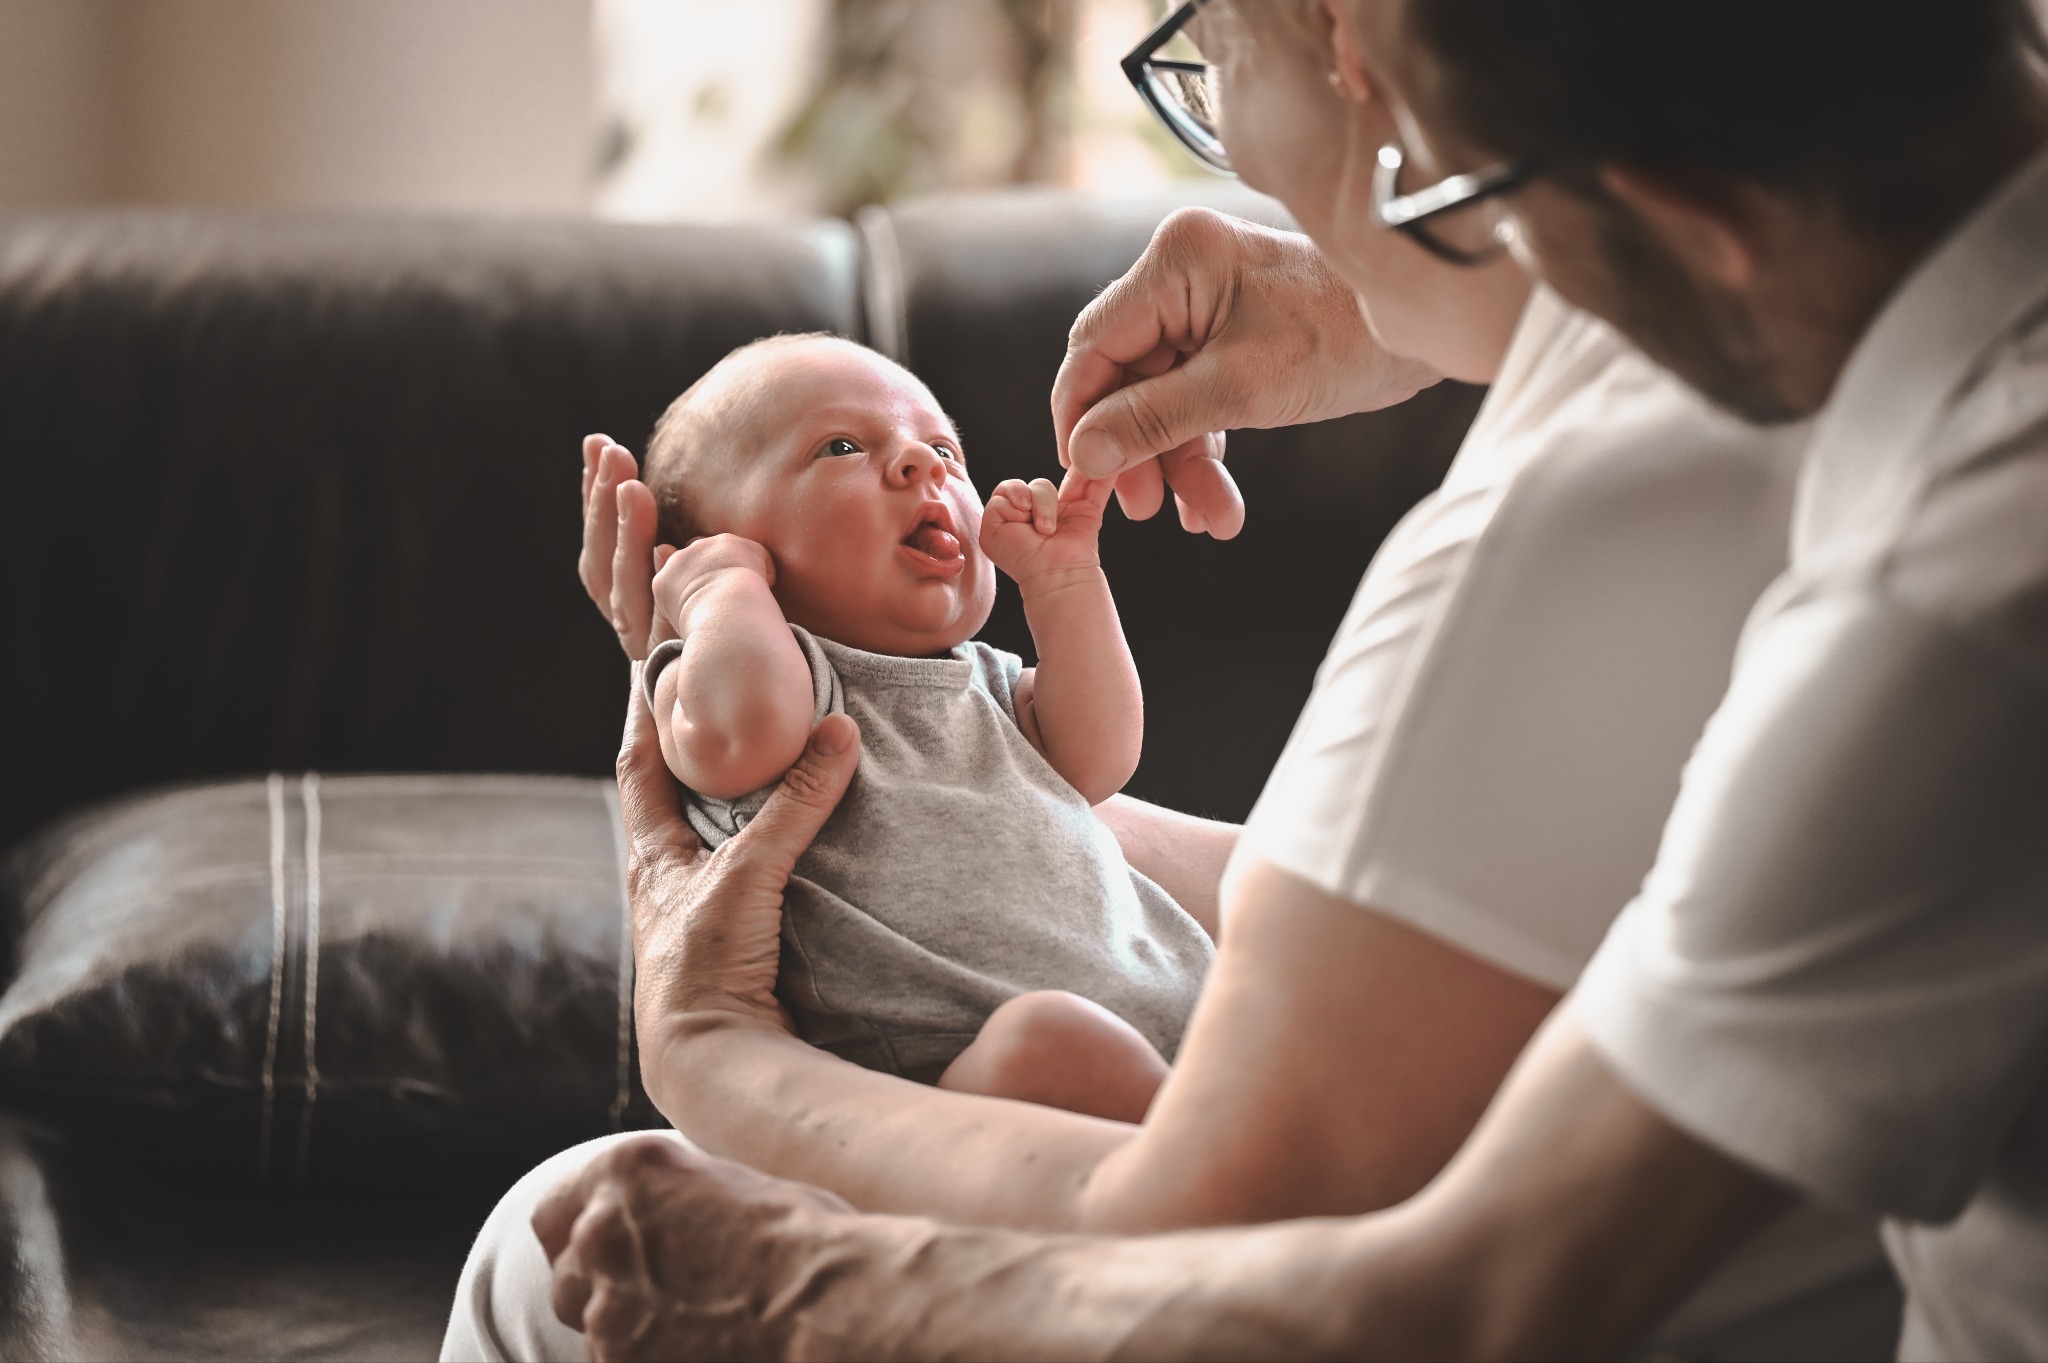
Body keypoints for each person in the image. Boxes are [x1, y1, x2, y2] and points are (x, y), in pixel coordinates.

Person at [518, 0, 2048, 1357]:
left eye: (1227, 53)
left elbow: (1366, 1277)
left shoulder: (1929, 614)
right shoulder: (1917, 310)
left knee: (564, 1230)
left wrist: (718, 1056)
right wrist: (1372, 287)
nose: (1239, 147)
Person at [635, 331, 1211, 1117]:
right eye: (841, 446)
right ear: (715, 547)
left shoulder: (987, 677)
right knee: (1053, 1042)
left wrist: (1065, 577)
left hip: (1191, 1018)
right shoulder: (755, 676)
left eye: (945, 447)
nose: (923, 464)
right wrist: (716, 595)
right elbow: (745, 733)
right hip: (955, 1078)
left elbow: (1101, 757)